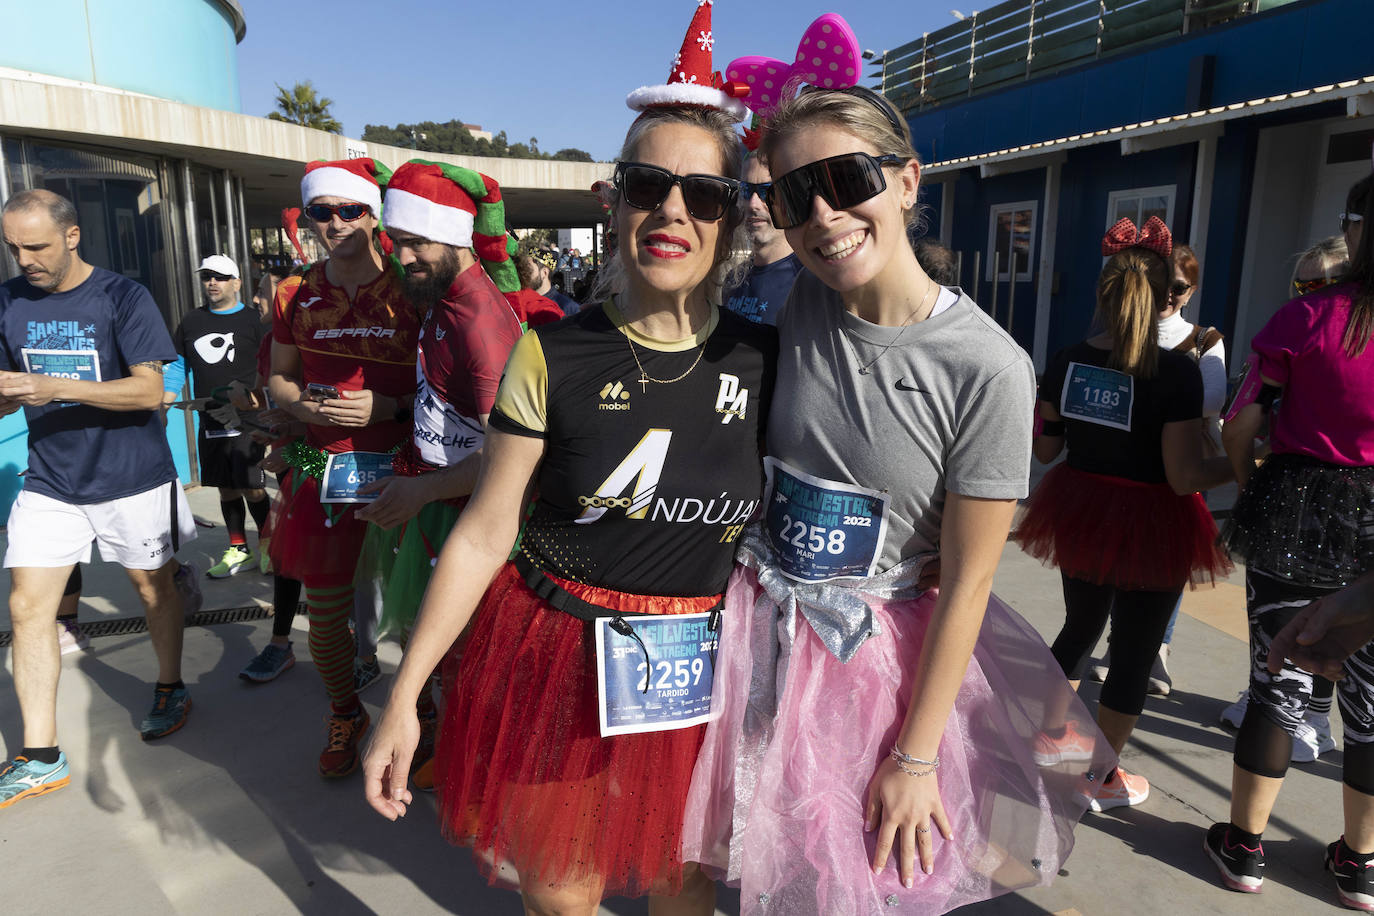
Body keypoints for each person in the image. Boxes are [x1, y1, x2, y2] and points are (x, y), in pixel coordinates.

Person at [363, 9, 773, 911]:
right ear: (613, 199)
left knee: (684, 890)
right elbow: (484, 531)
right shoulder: (554, 352)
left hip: (696, 667)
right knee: (560, 893)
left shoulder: (767, 360)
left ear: (731, 217)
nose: (671, 211)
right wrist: (404, 693)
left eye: (702, 194)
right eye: (647, 185)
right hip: (554, 654)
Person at [682, 80, 1112, 915]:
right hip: (750, 637)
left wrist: (915, 758)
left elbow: (971, 581)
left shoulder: (987, 368)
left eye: (846, 181)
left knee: (846, 882)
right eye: (794, 195)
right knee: (741, 864)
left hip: (868, 673)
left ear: (908, 181)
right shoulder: (798, 304)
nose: (823, 216)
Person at [1018, 216, 1233, 814]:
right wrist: (1245, 466)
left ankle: (1051, 736)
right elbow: (1183, 475)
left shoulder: (1066, 360)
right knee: (1135, 651)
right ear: (1167, 294)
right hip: (1154, 520)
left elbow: (1045, 449)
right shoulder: (1177, 374)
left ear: (1103, 292)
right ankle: (1102, 777)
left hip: (1082, 505)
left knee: (1080, 627)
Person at [1204, 170, 1374, 908]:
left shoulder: (1303, 318)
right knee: (1372, 703)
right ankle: (1360, 863)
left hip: (1297, 505)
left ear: (1356, 229)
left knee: (1277, 683)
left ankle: (1245, 848)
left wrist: (1251, 482)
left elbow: (1239, 421)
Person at [0, 189, 201, 809]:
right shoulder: (6, 302)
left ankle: (170, 685)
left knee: (151, 589)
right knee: (28, 606)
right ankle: (40, 755)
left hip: (133, 478)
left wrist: (52, 383)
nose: (24, 260)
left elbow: (150, 395)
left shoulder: (123, 296)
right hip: (51, 482)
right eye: (13, 248)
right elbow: (15, 391)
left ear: (72, 236)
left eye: (35, 246)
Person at [353, 159, 524, 787]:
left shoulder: (478, 322)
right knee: (453, 658)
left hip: (470, 516)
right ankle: (455, 758)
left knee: (478, 663)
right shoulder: (442, 299)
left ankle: (483, 779)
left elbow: (515, 463)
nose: (404, 257)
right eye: (397, 243)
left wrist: (422, 489)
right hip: (440, 506)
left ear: (455, 236)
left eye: (418, 242)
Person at [267, 157, 422, 778]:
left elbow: (456, 386)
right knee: (326, 617)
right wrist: (299, 402)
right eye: (321, 212)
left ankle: (424, 716)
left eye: (349, 209)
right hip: (323, 471)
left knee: (419, 614)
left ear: (373, 211)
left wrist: (387, 405)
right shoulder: (292, 292)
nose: (335, 223)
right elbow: (278, 380)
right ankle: (345, 709)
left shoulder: (413, 287)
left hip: (410, 469)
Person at [1216, 235, 1351, 763]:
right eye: (1304, 284)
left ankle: (1300, 714)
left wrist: (1250, 485)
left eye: (1322, 283)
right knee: (1333, 615)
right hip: (1336, 495)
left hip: (1303, 490)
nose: (1310, 295)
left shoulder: (1293, 333)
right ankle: (1314, 716)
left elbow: (1236, 427)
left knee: (1299, 613)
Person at [1088, 241, 1228, 697]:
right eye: (1165, 285)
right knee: (1114, 560)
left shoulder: (1204, 340)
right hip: (1125, 468)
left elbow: (1211, 401)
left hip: (1179, 468)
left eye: (1181, 287)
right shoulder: (1123, 332)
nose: (1171, 295)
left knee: (1164, 564)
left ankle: (1158, 649)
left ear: (1192, 290)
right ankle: (1117, 645)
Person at [162, 254, 270, 578]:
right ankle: (239, 548)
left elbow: (271, 365)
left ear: (236, 282)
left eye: (220, 277)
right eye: (207, 276)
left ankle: (268, 547)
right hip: (210, 417)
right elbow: (178, 366)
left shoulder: (255, 321)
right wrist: (163, 406)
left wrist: (264, 401)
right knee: (225, 486)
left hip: (249, 416)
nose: (212, 282)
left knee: (253, 485)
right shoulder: (192, 321)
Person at [721, 153, 802, 326]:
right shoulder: (733, 279)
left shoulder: (807, 280)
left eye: (766, 191)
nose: (753, 204)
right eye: (746, 190)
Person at [508, 253, 565, 327]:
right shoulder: (545, 309)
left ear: (544, 273)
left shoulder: (565, 306)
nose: (527, 272)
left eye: (529, 269)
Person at [533, 251, 580, 316]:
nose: (523, 273)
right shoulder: (521, 303)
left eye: (529, 270)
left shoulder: (567, 307)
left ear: (544, 272)